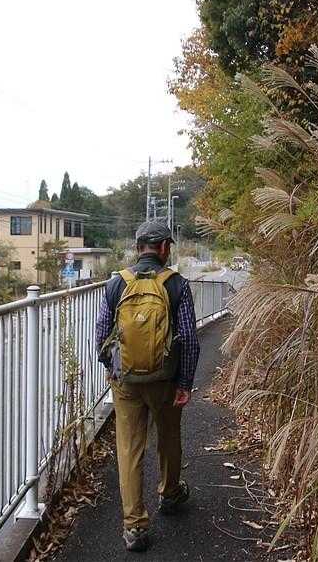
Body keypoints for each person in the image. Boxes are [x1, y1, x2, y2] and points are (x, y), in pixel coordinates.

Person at [96, 220, 200, 552]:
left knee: (129, 448)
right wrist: (184, 382)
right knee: (168, 437)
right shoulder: (177, 285)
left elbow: (101, 335)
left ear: (138, 247)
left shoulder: (116, 284)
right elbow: (189, 340)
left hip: (126, 381)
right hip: (165, 380)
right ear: (164, 248)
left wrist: (113, 369)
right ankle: (169, 494)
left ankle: (135, 526)